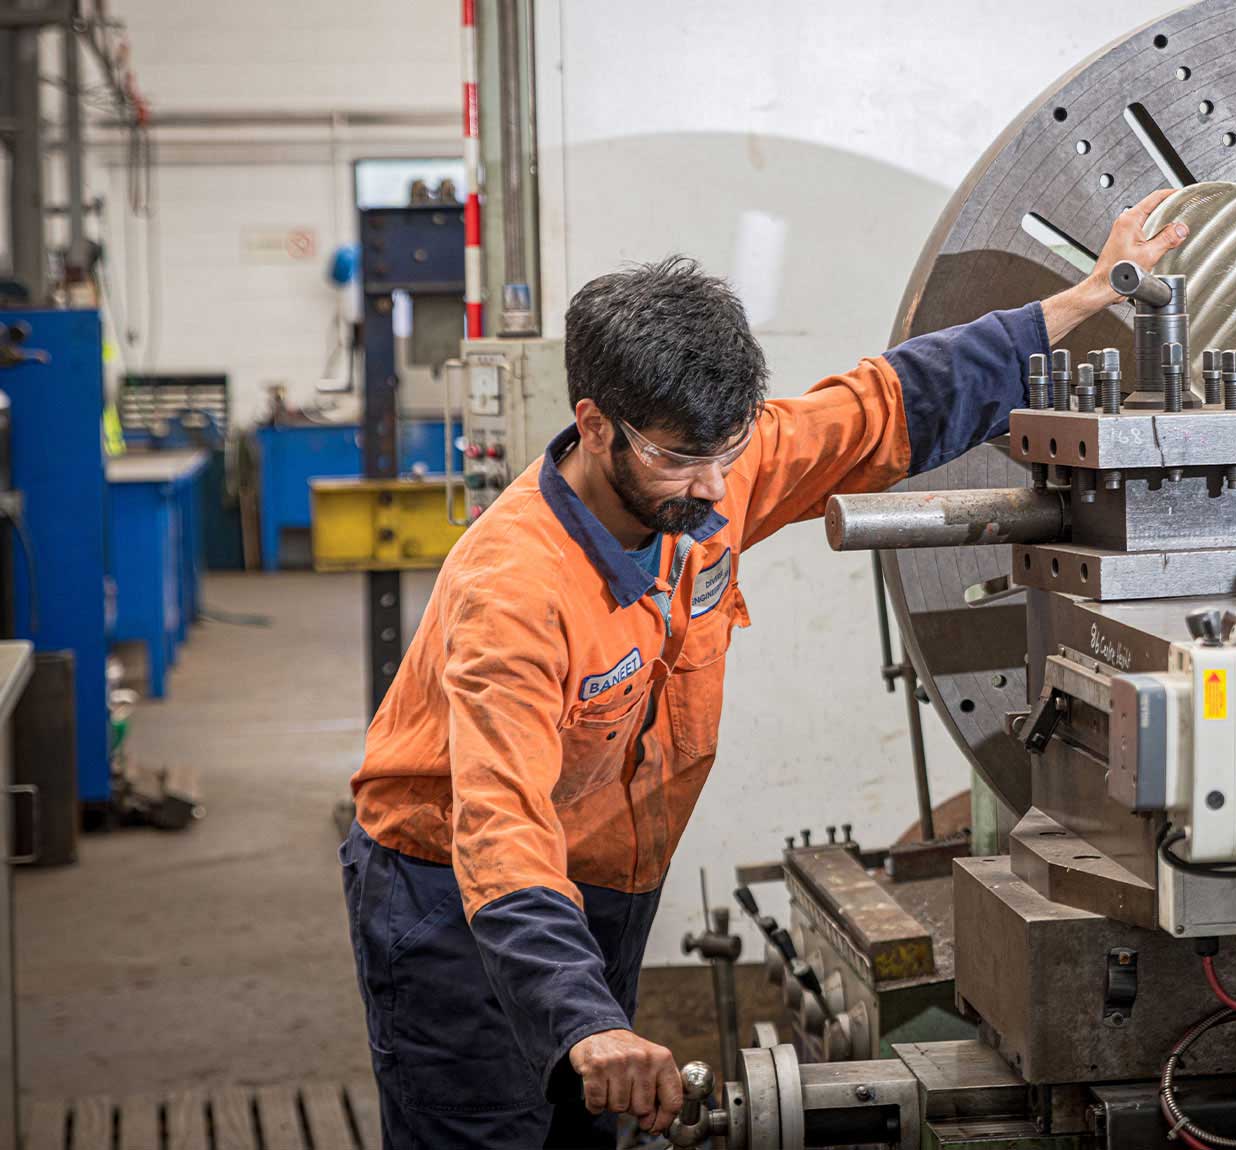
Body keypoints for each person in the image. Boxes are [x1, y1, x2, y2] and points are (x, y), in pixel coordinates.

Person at [339, 191, 1189, 1147]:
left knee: (585, 1123)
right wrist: (587, 1021)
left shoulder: (709, 469)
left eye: (726, 449)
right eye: (679, 460)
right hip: (460, 908)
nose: (711, 488)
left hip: (604, 888)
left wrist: (1081, 297)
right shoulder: (515, 592)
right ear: (595, 423)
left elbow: (884, 405)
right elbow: (500, 832)